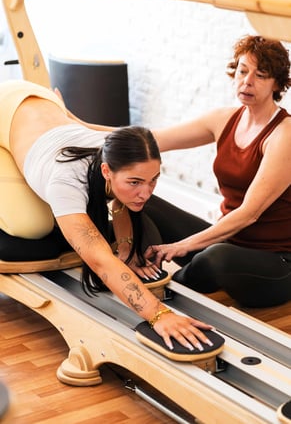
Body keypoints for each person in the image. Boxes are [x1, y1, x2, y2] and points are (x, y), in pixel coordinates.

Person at [0, 79, 214, 351]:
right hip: (4, 110)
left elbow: (119, 201)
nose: (145, 193)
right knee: (33, 225)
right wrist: (160, 315)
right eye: (135, 182)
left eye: (153, 181)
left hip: (43, 103)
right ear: (106, 172)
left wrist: (126, 252)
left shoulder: (117, 151)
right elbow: (100, 262)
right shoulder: (65, 181)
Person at [145, 34, 291, 308]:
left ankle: (159, 298)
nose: (247, 81)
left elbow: (249, 214)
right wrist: (82, 127)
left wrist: (182, 245)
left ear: (277, 83)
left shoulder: (284, 134)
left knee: (214, 258)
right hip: (227, 240)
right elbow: (152, 139)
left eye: (260, 75)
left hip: (275, 264)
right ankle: (138, 269)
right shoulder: (224, 119)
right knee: (146, 205)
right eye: (242, 71)